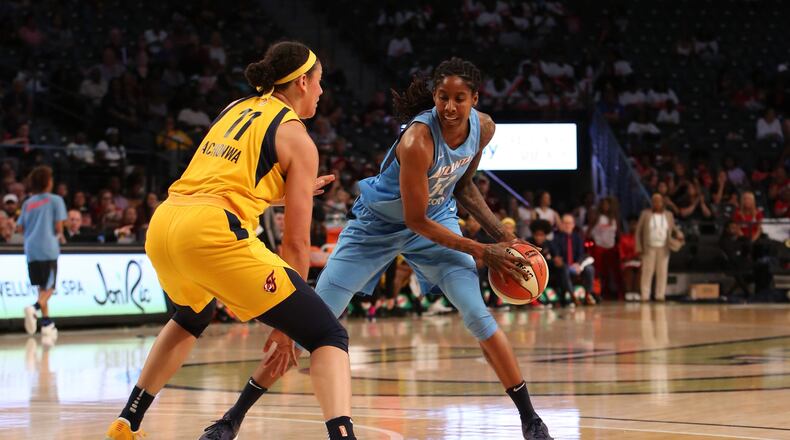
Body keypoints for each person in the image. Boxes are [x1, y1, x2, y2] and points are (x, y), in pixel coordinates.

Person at [201, 57, 553, 440]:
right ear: (434, 96)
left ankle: (530, 420)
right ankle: (231, 419)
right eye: (442, 97)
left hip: (438, 219)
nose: (450, 107)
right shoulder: (417, 139)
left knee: (478, 316)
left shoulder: (482, 129)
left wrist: (502, 235)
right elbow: (415, 220)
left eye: (459, 98)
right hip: (376, 227)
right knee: (307, 325)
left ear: (475, 99)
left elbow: (464, 186)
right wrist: (483, 251)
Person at [105, 41, 357, 440]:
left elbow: (222, 178)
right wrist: (287, 324)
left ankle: (127, 420)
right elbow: (293, 244)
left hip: (166, 221)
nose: (323, 92)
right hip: (211, 231)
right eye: (320, 82)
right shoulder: (299, 138)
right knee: (327, 334)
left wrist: (290, 190)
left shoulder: (235, 107)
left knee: (192, 314)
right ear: (304, 81)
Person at [16, 166, 67, 337]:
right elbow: (59, 226)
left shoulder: (27, 203)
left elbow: (20, 228)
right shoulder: (55, 200)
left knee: (41, 287)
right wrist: (60, 236)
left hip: (31, 249)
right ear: (48, 182)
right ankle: (34, 308)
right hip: (48, 248)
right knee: (50, 287)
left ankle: (46, 323)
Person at [635, 193, 676, 302]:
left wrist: (679, 235)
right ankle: (645, 296)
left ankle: (660, 295)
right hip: (649, 247)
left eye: (659, 201)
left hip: (664, 247)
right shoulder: (645, 214)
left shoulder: (669, 215)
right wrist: (639, 247)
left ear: (663, 202)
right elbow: (638, 231)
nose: (657, 203)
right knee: (647, 272)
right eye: (654, 201)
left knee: (662, 272)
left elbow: (673, 229)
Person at [552, 213, 596, 305]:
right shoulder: (556, 238)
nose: (567, 225)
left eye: (569, 223)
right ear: (561, 224)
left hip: (576, 265)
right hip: (564, 265)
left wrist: (578, 264)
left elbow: (581, 254)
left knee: (590, 269)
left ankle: (588, 295)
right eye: (565, 223)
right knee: (564, 268)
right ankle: (573, 296)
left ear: (573, 225)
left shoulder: (578, 238)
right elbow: (556, 254)